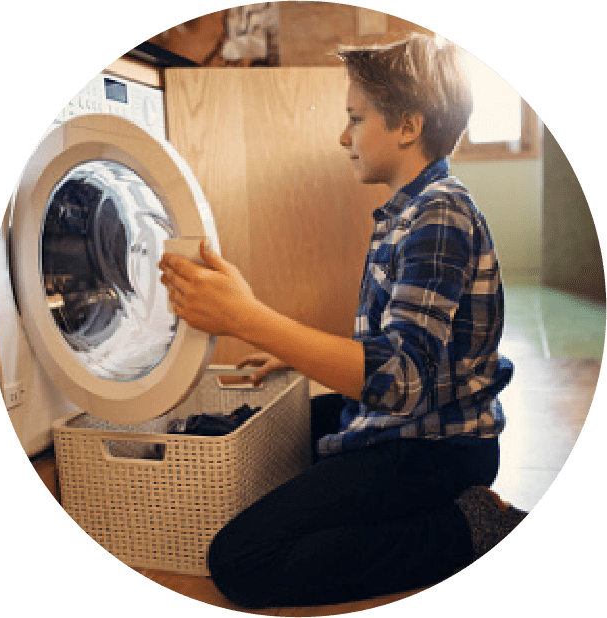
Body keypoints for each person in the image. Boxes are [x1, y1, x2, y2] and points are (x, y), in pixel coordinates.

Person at [159, 33, 527, 608]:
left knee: (241, 559)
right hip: (415, 418)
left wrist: (250, 319)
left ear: (407, 125)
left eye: (355, 119)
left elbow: (398, 383)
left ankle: (467, 529)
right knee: (269, 427)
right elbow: (399, 346)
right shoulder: (411, 209)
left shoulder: (439, 215)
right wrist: (290, 348)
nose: (341, 135)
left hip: (438, 446)